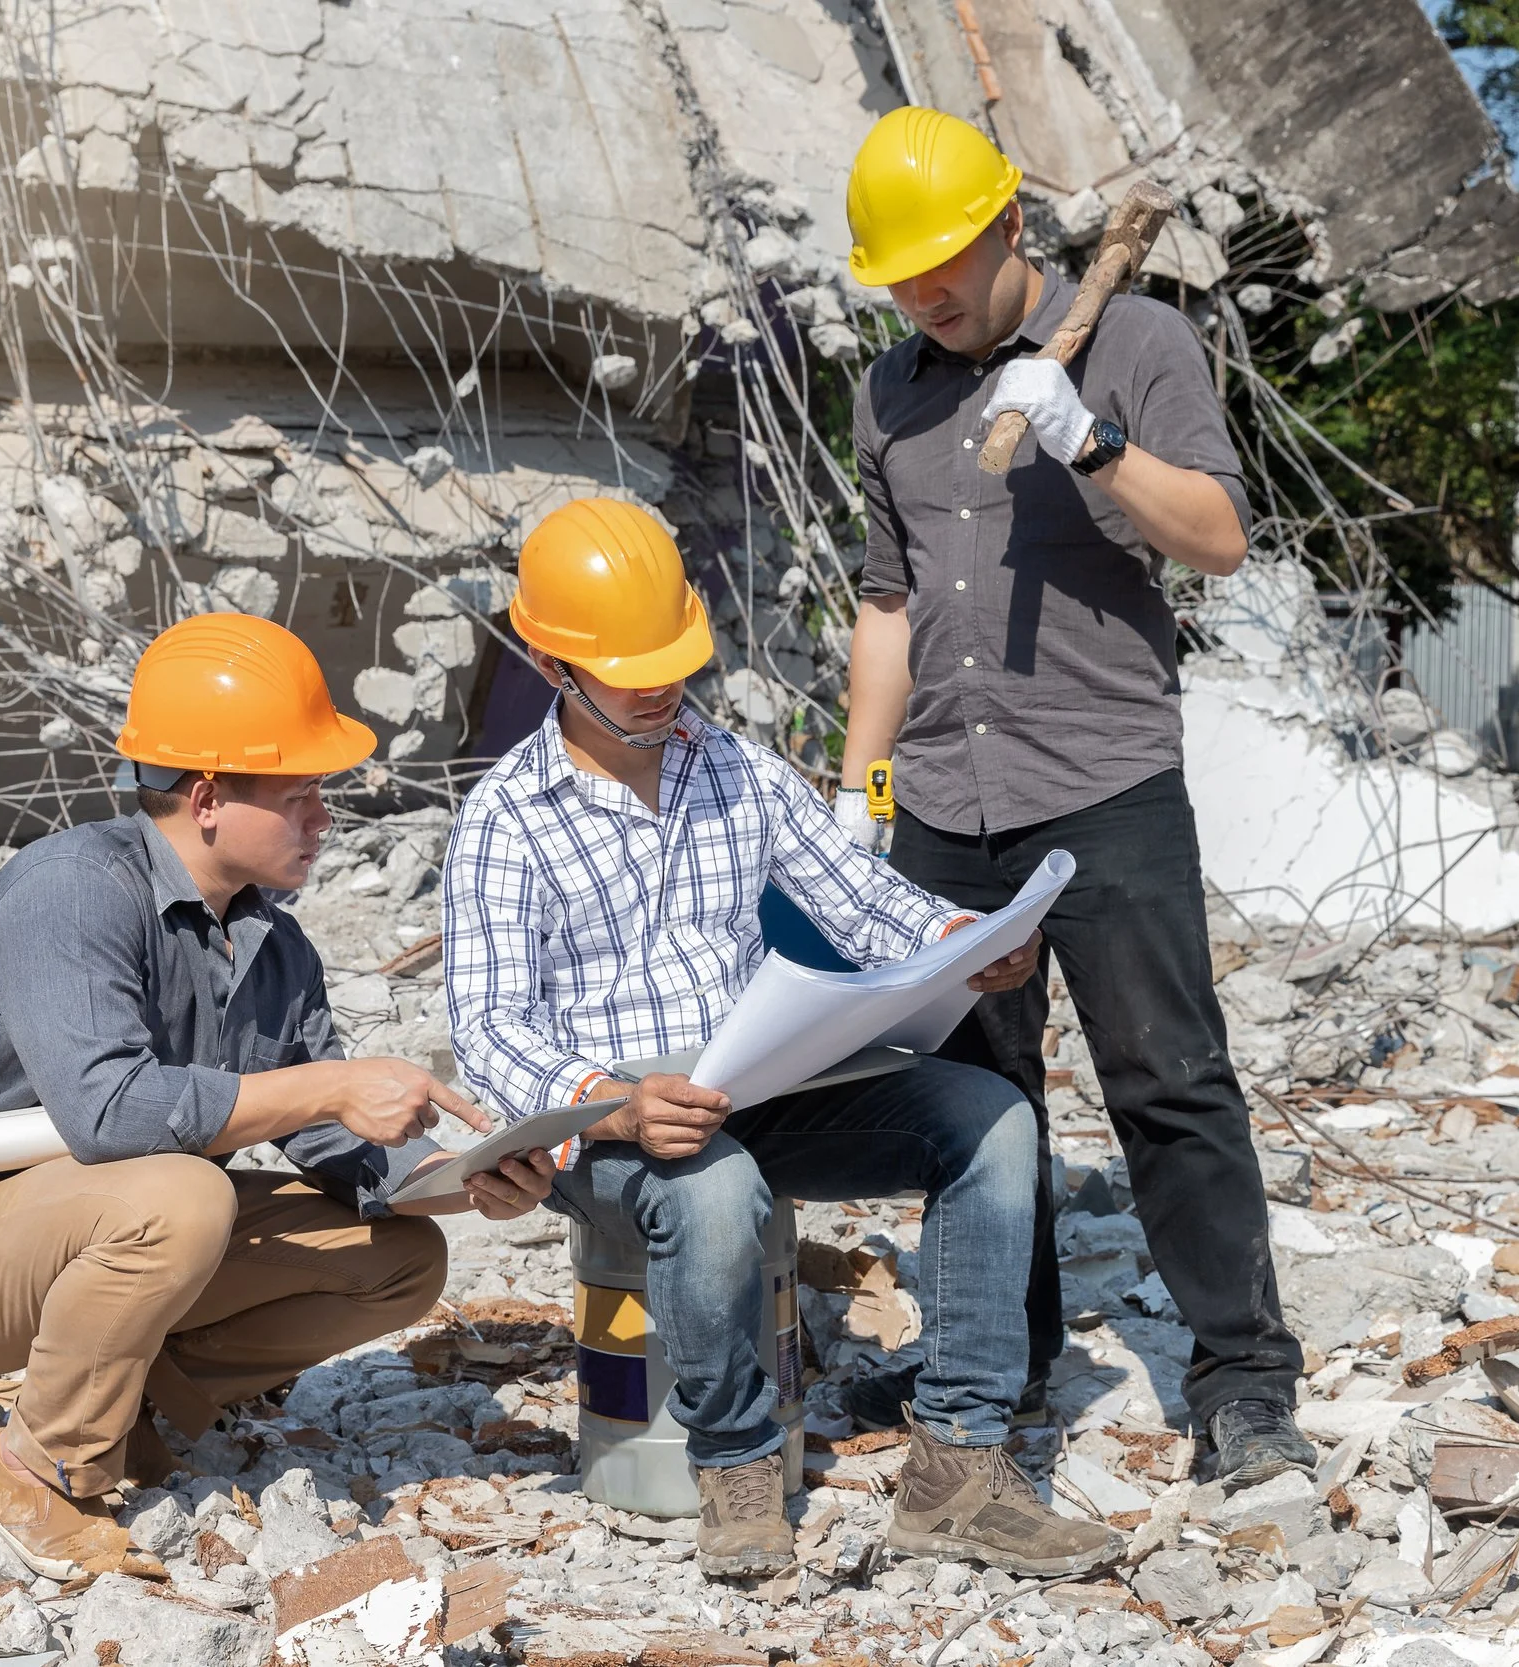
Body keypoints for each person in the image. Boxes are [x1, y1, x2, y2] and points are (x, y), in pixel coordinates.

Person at [444, 497, 1117, 1581]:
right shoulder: (505, 819)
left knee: (989, 1116)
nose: (662, 685)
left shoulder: (734, 768)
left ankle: (960, 1461)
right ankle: (738, 1464)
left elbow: (862, 901)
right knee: (711, 1189)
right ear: (548, 659)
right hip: (615, 1132)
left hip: (762, 1092)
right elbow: (485, 1026)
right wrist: (613, 1099)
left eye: (675, 656)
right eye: (630, 667)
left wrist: (960, 940)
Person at [0, 612, 556, 1579]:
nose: (325, 815)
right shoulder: (73, 892)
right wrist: (328, 1084)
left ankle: (135, 1406)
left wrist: (468, 1178)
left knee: (399, 1257)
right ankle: (36, 1464)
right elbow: (111, 1113)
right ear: (210, 794)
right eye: (301, 791)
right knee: (186, 1195)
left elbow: (341, 1154)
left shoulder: (273, 944)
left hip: (120, 1229)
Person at [833, 106, 1312, 1489]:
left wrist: (1091, 440)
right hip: (943, 797)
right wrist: (864, 786)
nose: (924, 293)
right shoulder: (888, 394)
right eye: (899, 275)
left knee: (1168, 1078)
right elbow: (887, 600)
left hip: (1103, 781)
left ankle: (1243, 1379)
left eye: (943, 263)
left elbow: (1220, 539)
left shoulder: (1143, 343)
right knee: (974, 1095)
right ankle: (999, 1353)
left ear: (1007, 230)